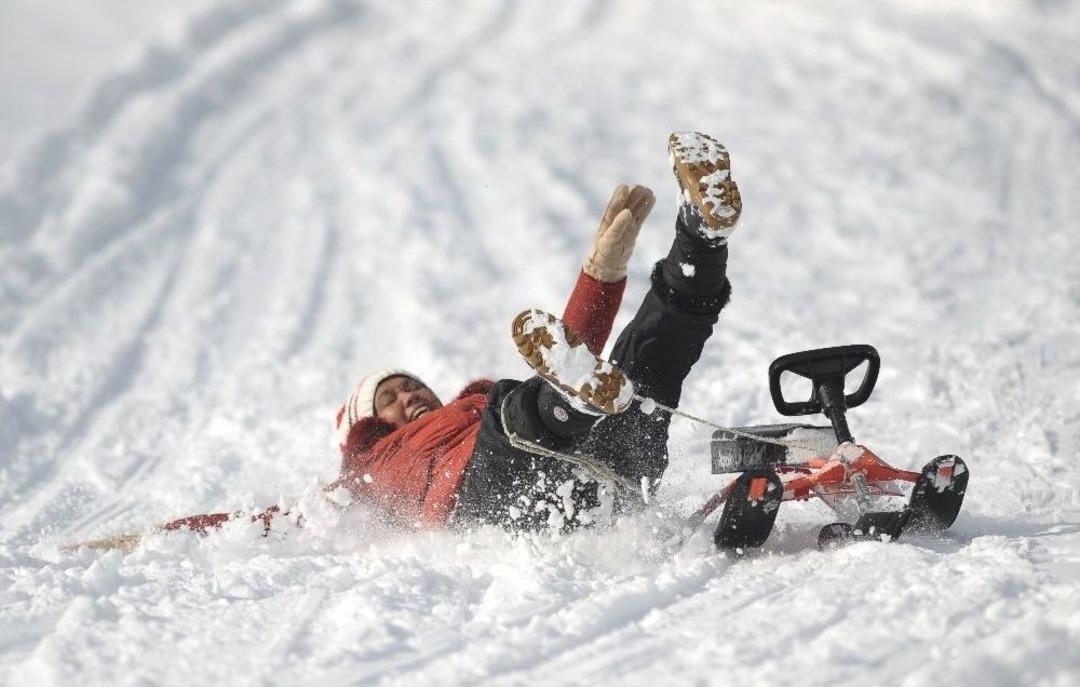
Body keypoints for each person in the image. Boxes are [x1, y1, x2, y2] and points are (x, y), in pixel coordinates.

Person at [76, 131, 738, 548]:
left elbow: (573, 359)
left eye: (412, 385)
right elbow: (253, 524)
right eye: (390, 397)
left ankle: (701, 233)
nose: (409, 396)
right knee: (523, 413)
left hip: (608, 481)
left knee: (645, 368)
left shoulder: (470, 407)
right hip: (491, 495)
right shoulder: (364, 478)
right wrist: (149, 537)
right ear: (363, 425)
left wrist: (602, 269)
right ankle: (572, 404)